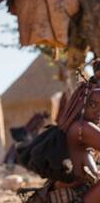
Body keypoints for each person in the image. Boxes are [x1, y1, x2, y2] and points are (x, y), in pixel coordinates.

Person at [17, 73, 100, 202]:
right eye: (93, 105)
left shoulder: (76, 127)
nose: (98, 112)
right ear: (82, 105)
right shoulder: (82, 128)